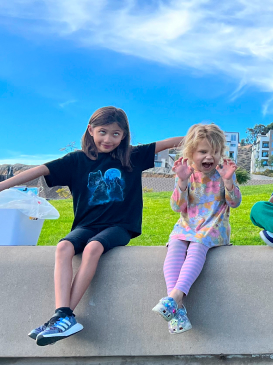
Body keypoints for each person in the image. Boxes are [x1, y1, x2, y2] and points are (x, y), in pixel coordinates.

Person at [0, 106, 183, 345]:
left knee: (93, 248)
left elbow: (175, 141)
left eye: (116, 134)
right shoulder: (76, 160)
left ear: (124, 135)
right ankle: (62, 314)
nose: (108, 139)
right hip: (86, 225)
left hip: (120, 226)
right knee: (63, 247)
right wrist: (3, 186)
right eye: (103, 132)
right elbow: (39, 170)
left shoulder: (132, 157)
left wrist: (206, 135)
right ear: (91, 130)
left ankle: (62, 318)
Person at [152, 124, 241, 334]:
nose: (210, 156)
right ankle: (177, 308)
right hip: (187, 225)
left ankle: (174, 298)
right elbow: (177, 207)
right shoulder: (186, 172)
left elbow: (235, 202)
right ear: (191, 152)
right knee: (174, 247)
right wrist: (181, 182)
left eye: (215, 152)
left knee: (196, 247)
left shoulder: (224, 173)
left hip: (213, 226)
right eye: (203, 151)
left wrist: (229, 182)